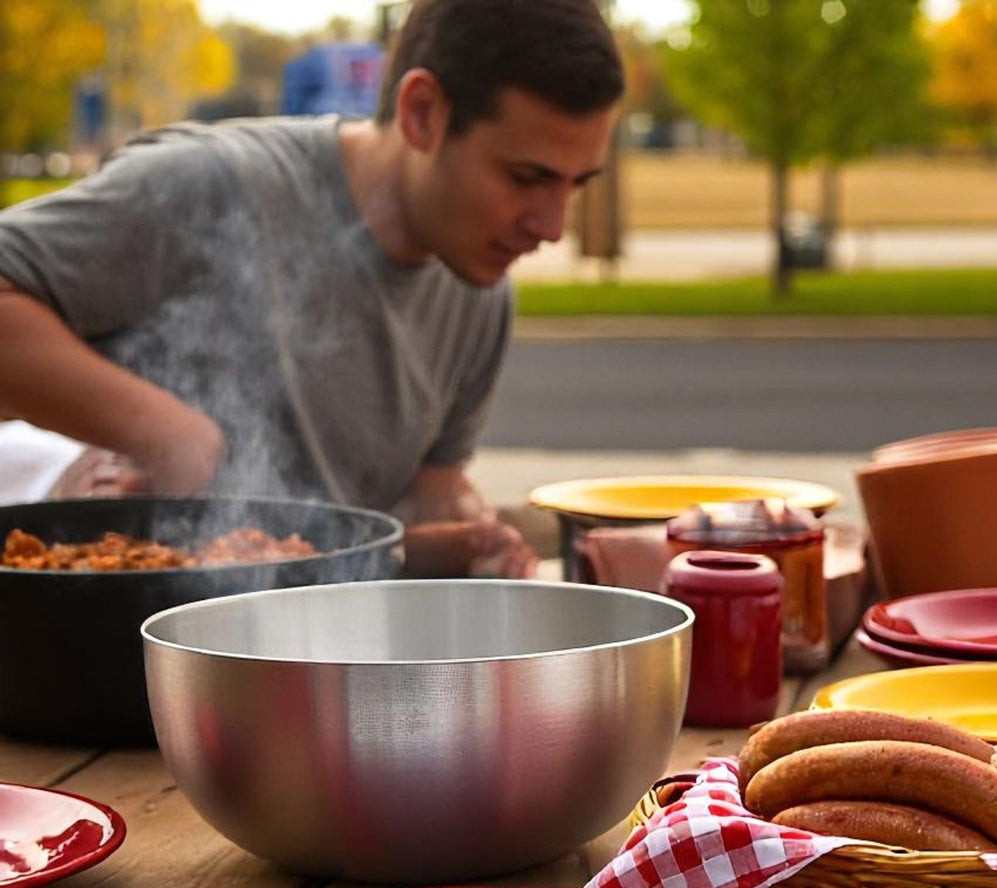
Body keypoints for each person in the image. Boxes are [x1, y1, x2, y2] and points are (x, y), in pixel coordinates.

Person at [0, 0, 624, 576]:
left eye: (577, 184)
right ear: (422, 113)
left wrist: (465, 530)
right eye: (525, 177)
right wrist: (161, 430)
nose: (551, 226)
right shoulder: (213, 186)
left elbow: (419, 498)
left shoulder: (481, 290)